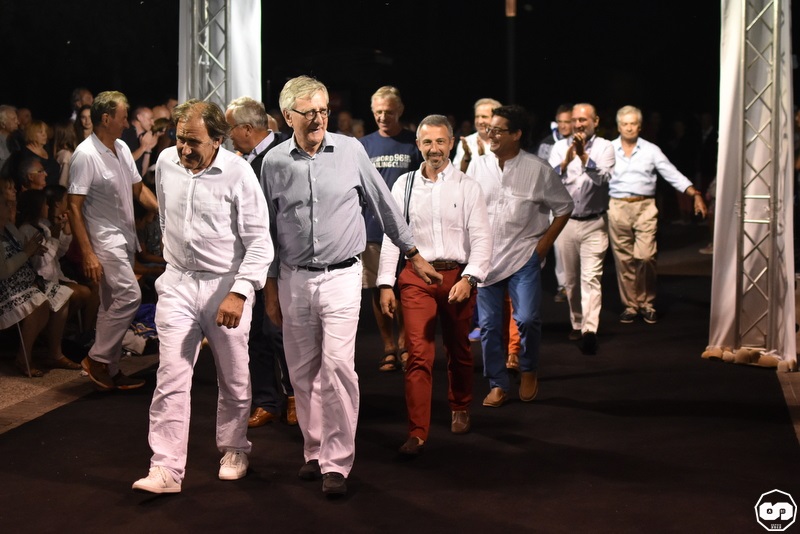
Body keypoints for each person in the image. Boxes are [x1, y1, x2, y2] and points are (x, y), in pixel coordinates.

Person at [260, 75, 441, 497]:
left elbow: (384, 204)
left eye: (323, 110)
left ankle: (337, 463)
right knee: (301, 371)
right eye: (309, 112)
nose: (319, 118)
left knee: (339, 367)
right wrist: (269, 288)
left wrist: (413, 254)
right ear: (287, 116)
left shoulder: (350, 150)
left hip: (342, 276)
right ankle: (314, 449)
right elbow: (266, 228)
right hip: (293, 278)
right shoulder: (273, 162)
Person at [131, 99, 272, 495]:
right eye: (180, 139)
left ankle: (234, 448)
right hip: (177, 283)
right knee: (170, 377)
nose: (184, 148)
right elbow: (166, 217)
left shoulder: (239, 173)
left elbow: (260, 243)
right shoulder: (166, 163)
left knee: (234, 375)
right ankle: (165, 467)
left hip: (225, 286)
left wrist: (239, 292)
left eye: (194, 141)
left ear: (217, 140)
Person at [377, 114, 492, 455]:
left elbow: (482, 238)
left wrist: (471, 278)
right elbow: (393, 236)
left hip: (457, 275)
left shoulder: (467, 186)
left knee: (458, 349)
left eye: (441, 141)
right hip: (416, 277)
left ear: (452, 143)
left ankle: (460, 405)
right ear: (418, 145)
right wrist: (385, 283)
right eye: (427, 142)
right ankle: (417, 431)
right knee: (418, 354)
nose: (434, 148)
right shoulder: (404, 185)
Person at [467, 105, 573, 407]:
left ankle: (528, 368)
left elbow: (564, 207)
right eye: (489, 129)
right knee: (489, 326)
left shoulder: (538, 169)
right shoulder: (477, 166)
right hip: (487, 258)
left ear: (516, 134)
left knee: (527, 318)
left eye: (498, 130)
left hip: (524, 255)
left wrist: (544, 244)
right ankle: (497, 383)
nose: (490, 135)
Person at [67, 90, 158, 391]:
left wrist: (165, 211)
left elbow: (138, 189)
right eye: (123, 117)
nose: (127, 123)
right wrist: (87, 253)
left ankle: (111, 368)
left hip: (124, 237)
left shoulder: (120, 147)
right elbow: (73, 207)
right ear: (106, 118)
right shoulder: (85, 155)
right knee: (130, 296)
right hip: (104, 240)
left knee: (111, 304)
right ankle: (96, 359)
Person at [224, 96, 296, 428]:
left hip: (282, 261)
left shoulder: (284, 154)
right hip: (249, 262)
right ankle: (267, 401)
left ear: (246, 129)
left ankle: (296, 396)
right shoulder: (242, 161)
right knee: (254, 334)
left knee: (279, 330)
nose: (228, 135)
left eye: (230, 128)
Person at [609, 105, 707, 324]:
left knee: (645, 256)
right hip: (617, 205)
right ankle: (631, 305)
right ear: (618, 126)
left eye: (633, 123)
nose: (629, 128)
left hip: (644, 206)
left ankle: (646, 302)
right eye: (625, 124)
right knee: (623, 259)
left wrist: (694, 194)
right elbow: (593, 174)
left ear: (640, 126)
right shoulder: (608, 149)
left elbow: (671, 173)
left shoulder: (650, 150)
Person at [359, 86, 423, 372]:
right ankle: (388, 346)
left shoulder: (413, 143)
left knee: (406, 287)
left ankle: (405, 343)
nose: (383, 117)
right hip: (373, 229)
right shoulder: (363, 145)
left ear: (400, 111)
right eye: (378, 112)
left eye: (389, 112)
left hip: (409, 230)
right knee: (379, 288)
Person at [548, 103, 615, 354]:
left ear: (595, 122)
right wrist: (567, 159)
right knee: (571, 280)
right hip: (566, 223)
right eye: (575, 120)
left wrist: (584, 156)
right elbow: (550, 181)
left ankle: (589, 330)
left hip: (595, 223)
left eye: (583, 120)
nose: (578, 124)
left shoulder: (605, 147)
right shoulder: (558, 147)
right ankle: (577, 322)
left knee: (591, 278)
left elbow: (603, 179)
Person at [0, 195, 74, 377]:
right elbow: (4, 271)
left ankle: (54, 354)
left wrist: (34, 250)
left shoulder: (9, 228)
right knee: (39, 302)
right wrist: (27, 252)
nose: (11, 207)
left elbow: (25, 249)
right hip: (7, 289)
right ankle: (23, 358)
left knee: (62, 294)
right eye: (6, 204)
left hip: (26, 281)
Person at [539, 104, 573, 303]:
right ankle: (563, 286)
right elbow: (543, 172)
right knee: (560, 248)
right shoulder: (548, 143)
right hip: (555, 201)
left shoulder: (583, 143)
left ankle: (575, 285)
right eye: (560, 122)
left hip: (578, 201)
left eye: (567, 121)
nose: (563, 125)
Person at [453, 98, 502, 173]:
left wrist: (482, 157)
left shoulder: (503, 141)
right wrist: (466, 158)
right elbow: (458, 174)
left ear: (496, 118)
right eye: (477, 117)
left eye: (484, 117)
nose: (479, 121)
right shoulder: (467, 142)